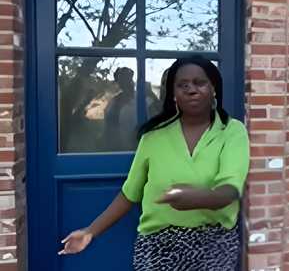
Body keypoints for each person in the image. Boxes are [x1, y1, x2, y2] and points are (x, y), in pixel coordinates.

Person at [59, 57, 249, 270]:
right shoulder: (153, 137)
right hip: (157, 247)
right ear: (173, 94)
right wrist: (90, 231)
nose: (191, 90)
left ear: (214, 88)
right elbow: (130, 193)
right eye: (182, 85)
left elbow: (230, 190)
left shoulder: (232, 131)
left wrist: (197, 198)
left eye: (200, 83)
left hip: (214, 245)